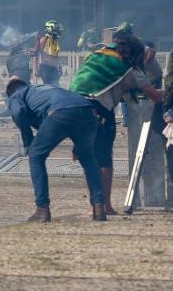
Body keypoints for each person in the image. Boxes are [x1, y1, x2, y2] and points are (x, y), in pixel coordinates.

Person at [68, 28, 164, 215]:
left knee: (87, 156)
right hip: (99, 109)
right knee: (103, 159)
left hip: (73, 107)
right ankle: (106, 206)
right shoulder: (130, 68)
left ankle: (94, 204)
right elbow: (154, 96)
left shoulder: (97, 55)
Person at [6, 79, 106, 222]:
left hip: (60, 113)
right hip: (88, 110)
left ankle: (42, 209)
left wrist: (28, 141)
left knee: (36, 156)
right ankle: (99, 207)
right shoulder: (44, 89)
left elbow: (18, 112)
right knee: (88, 157)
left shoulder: (16, 95)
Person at [35, 20, 63, 86]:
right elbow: (35, 55)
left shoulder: (55, 41)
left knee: (56, 86)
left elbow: (55, 55)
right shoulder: (43, 40)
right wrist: (36, 69)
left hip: (54, 68)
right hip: (45, 68)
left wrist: (60, 66)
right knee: (49, 87)